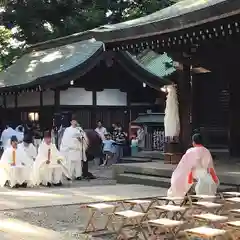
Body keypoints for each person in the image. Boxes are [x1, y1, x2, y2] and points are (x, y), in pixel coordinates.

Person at [167, 133, 219, 198]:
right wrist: (215, 178)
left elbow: (183, 166)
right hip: (205, 173)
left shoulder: (191, 151)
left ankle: (181, 193)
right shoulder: (206, 151)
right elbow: (210, 167)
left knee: (181, 175)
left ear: (193, 142)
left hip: (194, 174)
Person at [60, 116, 88, 180]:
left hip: (77, 148)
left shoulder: (79, 129)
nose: (74, 122)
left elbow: (84, 138)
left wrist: (80, 139)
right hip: (71, 149)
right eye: (73, 121)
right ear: (71, 122)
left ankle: (78, 175)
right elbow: (65, 139)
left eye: (75, 121)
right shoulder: (67, 129)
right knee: (70, 163)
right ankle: (69, 175)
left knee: (78, 163)